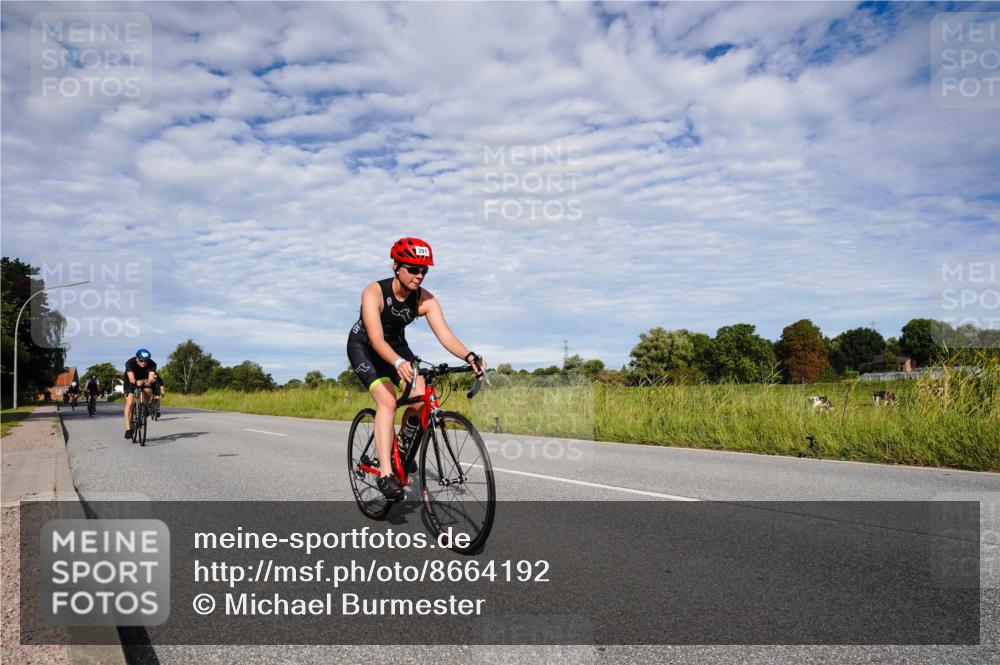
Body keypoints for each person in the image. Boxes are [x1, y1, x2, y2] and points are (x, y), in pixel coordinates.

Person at [346, 237, 485, 500]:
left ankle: (402, 446)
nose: (419, 275)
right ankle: (386, 474)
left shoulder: (426, 300)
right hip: (364, 347)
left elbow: (445, 335)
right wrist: (397, 363)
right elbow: (376, 339)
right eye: (413, 269)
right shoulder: (374, 292)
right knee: (387, 401)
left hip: (397, 347)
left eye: (424, 270)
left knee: (422, 399)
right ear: (396, 267)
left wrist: (469, 356)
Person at [123, 348, 159, 439]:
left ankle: (145, 407)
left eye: (146, 361)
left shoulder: (152, 363)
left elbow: (151, 377)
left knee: (148, 391)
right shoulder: (130, 363)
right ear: (137, 359)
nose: (144, 363)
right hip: (130, 381)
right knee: (130, 403)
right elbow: (131, 379)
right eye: (141, 360)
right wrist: (135, 383)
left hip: (143, 379)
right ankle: (128, 429)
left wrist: (149, 381)